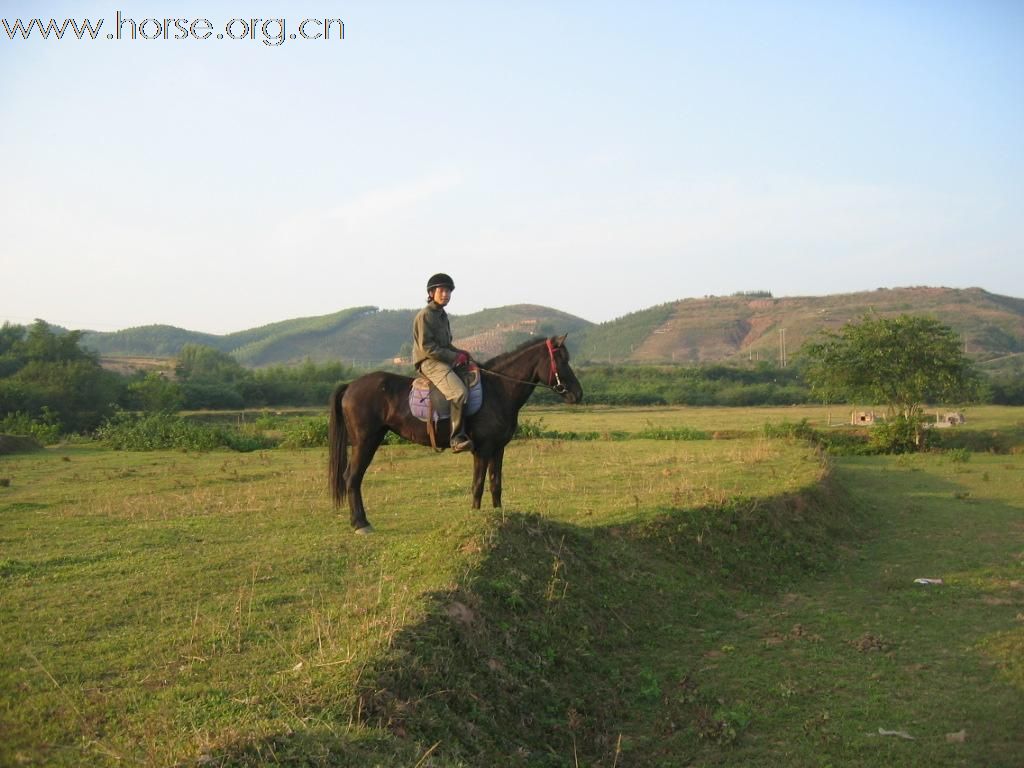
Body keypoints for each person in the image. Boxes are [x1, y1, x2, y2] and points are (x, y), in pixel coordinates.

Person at [412, 273, 474, 452]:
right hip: (429, 362)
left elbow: (446, 345)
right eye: (442, 290)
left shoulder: (442, 315)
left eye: (448, 291)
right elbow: (428, 347)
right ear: (431, 293)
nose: (446, 294)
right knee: (459, 392)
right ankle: (456, 439)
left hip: (441, 359)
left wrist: (460, 353)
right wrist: (454, 357)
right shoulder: (425, 315)